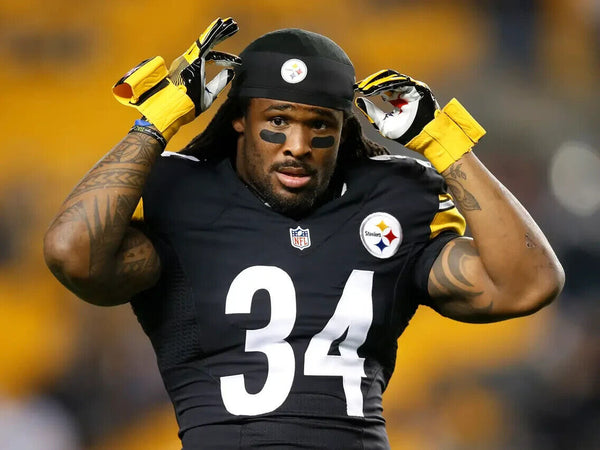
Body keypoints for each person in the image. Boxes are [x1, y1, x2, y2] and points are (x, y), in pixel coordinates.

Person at [43, 17, 564, 449]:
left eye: (320, 126)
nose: (298, 144)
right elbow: (72, 254)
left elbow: (529, 284)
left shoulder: (392, 199)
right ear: (239, 119)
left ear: (343, 129)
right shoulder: (183, 194)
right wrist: (154, 124)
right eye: (278, 120)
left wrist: (445, 144)